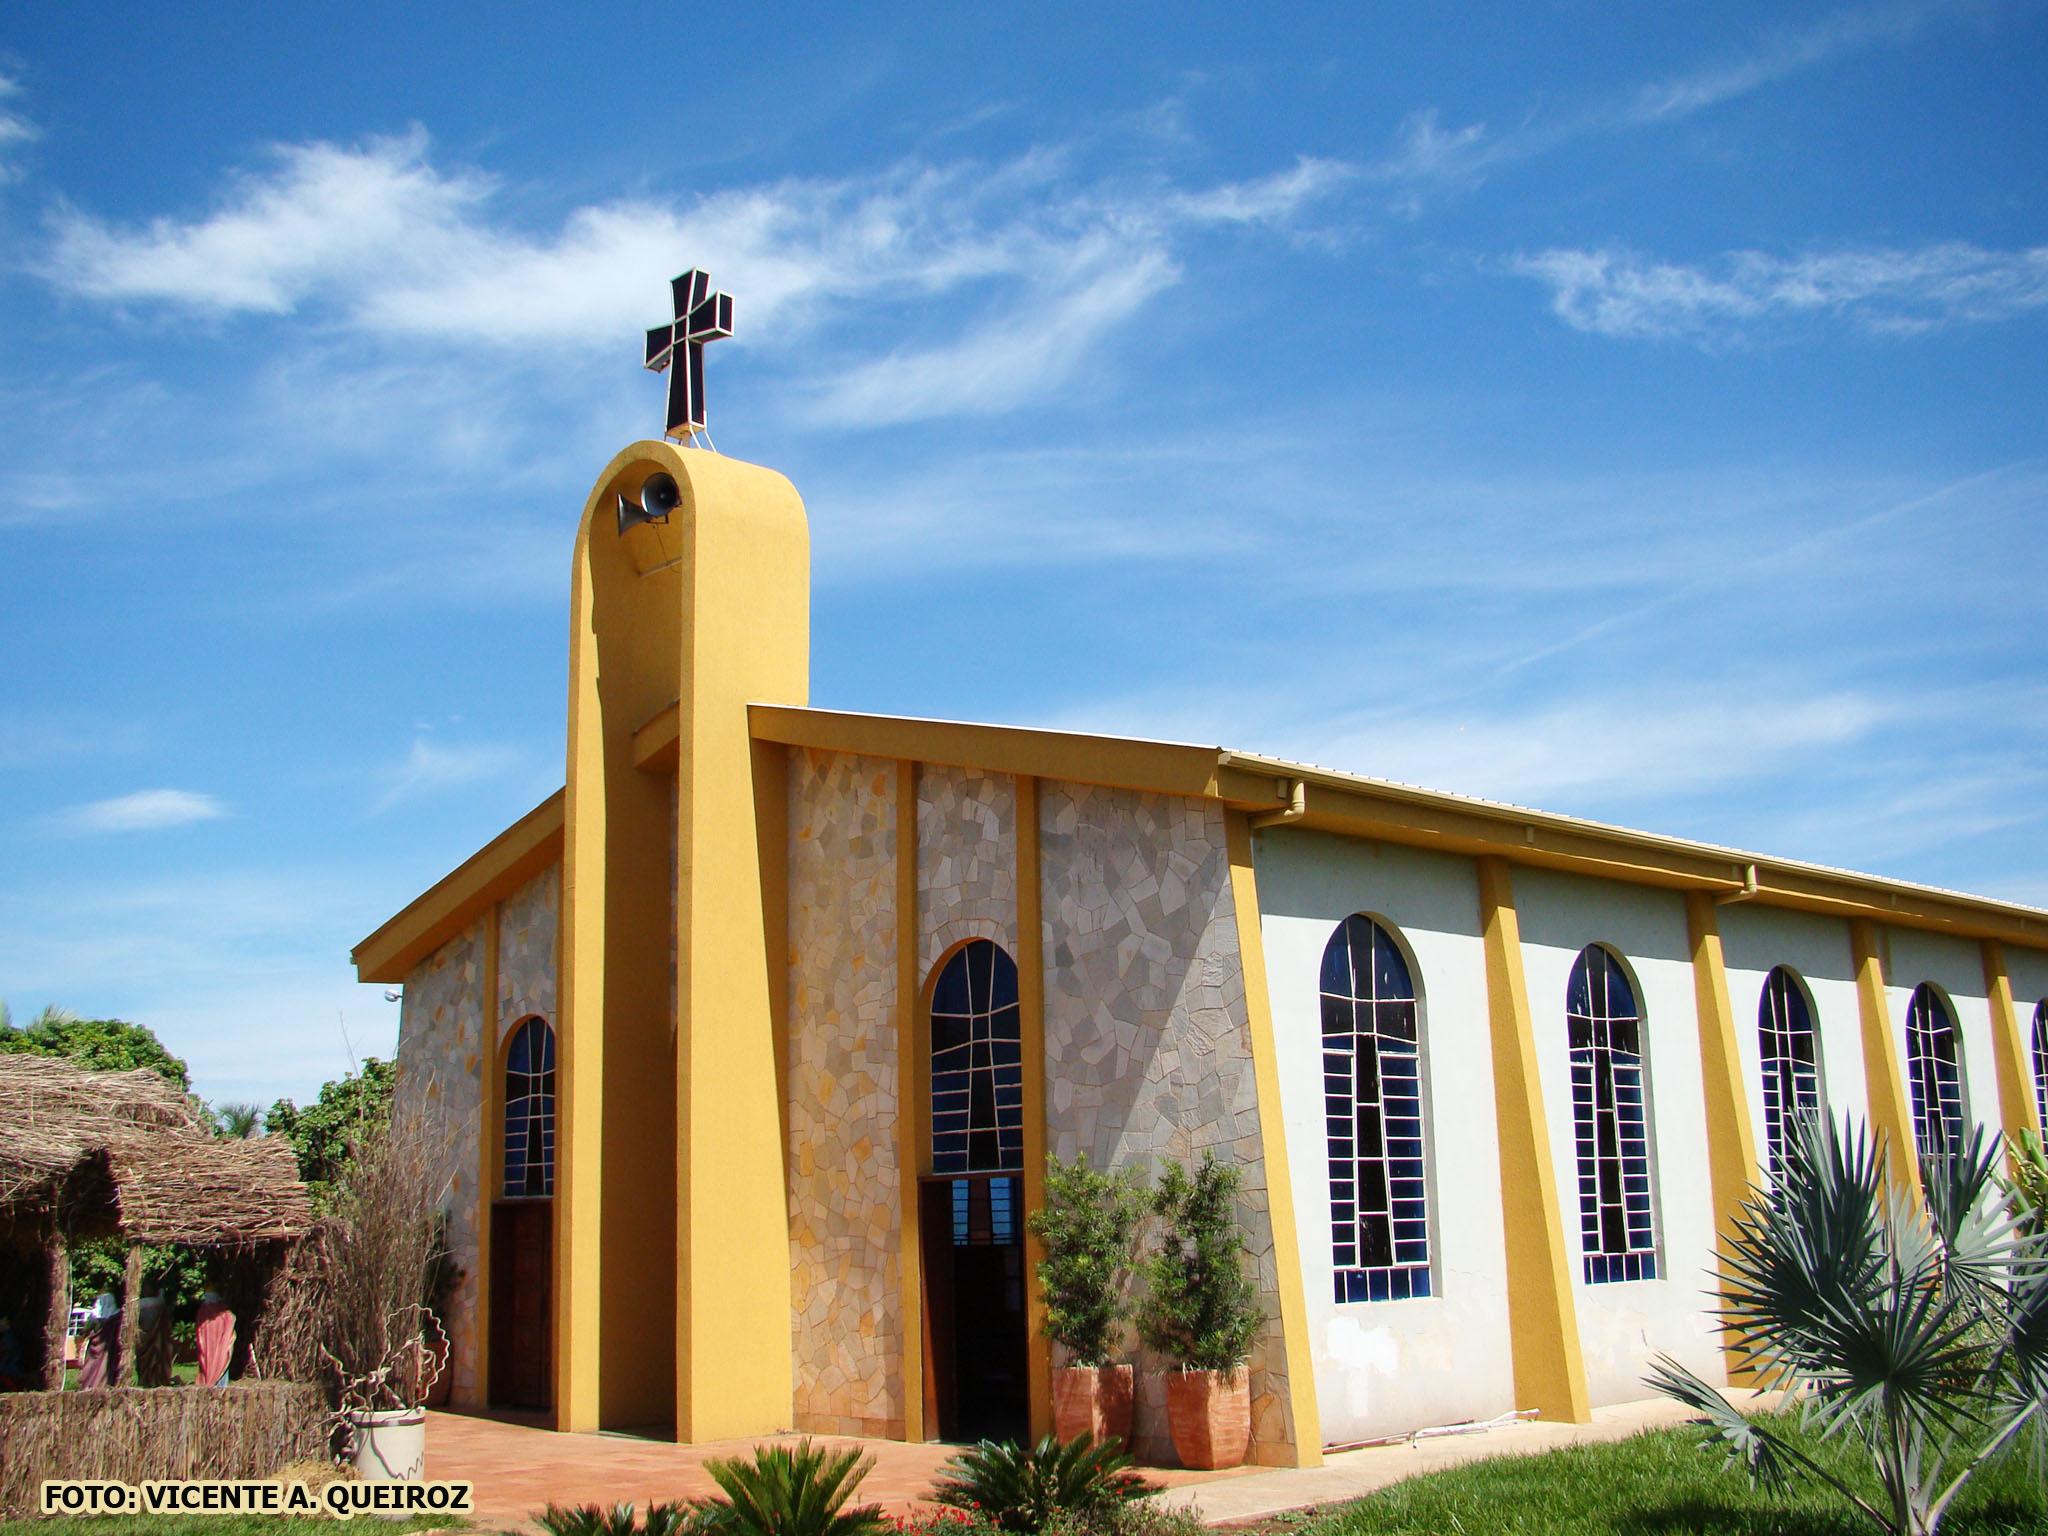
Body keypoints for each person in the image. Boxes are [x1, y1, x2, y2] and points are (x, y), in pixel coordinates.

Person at [77, 1292, 119, 1389]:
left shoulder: (94, 1316)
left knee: (91, 1369)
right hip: (108, 1349)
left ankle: (90, 1387)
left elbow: (86, 1329)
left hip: (94, 1350)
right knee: (105, 1369)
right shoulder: (116, 1316)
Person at [195, 1287, 236, 1387]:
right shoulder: (225, 1313)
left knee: (210, 1365)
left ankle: (210, 1384)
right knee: (220, 1364)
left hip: (208, 1347)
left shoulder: (203, 1312)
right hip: (217, 1347)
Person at [134, 1286, 174, 1387]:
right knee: (151, 1361)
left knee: (145, 1362)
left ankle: (145, 1380)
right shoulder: (158, 1303)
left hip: (144, 1338)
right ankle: (155, 1380)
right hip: (151, 1339)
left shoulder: (138, 1305)